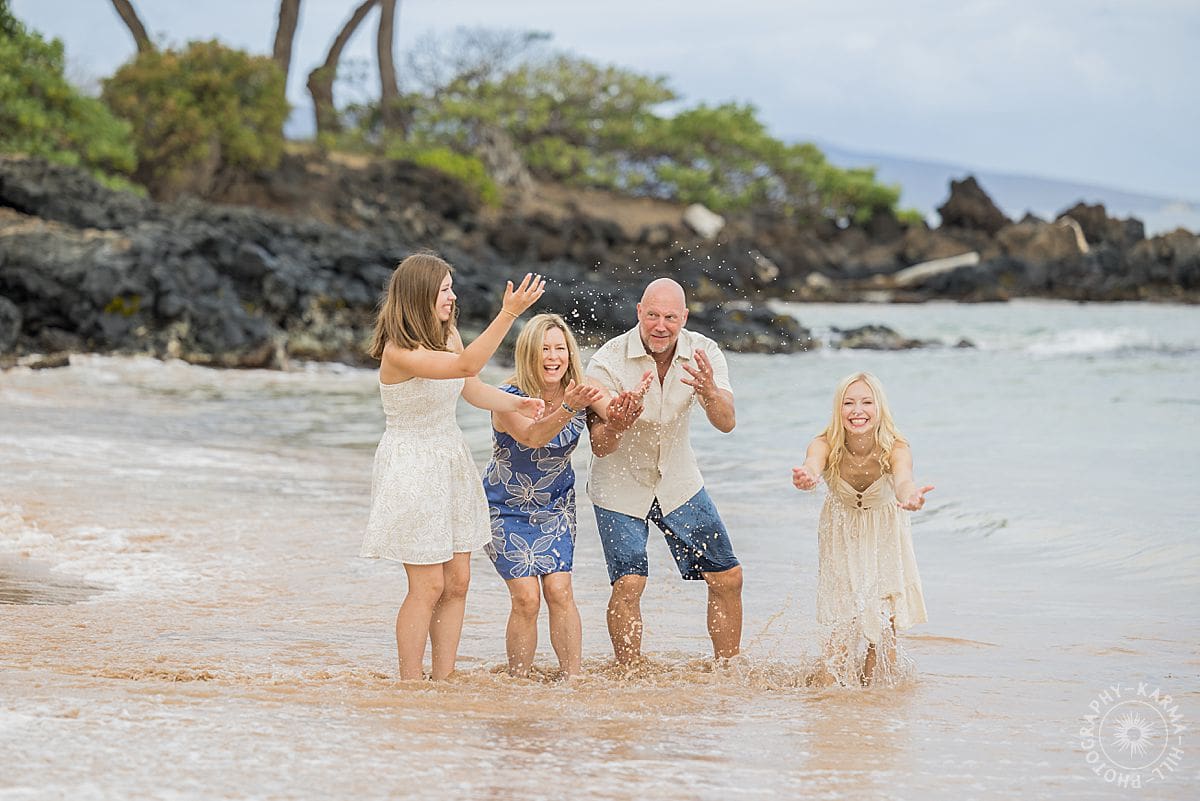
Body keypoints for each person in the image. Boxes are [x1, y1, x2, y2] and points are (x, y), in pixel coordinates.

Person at [359, 252, 546, 681]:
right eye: (445, 289)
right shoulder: (398, 351)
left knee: (458, 581)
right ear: (421, 294)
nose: (453, 297)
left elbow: (470, 387)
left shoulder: (449, 335)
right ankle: (411, 682)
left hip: (450, 460)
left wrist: (515, 403)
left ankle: (443, 681)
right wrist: (509, 313)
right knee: (428, 585)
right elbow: (466, 365)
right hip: (412, 464)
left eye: (451, 288)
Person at [585, 277, 743, 666]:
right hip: (619, 484)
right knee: (629, 583)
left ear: (684, 317)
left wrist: (709, 392)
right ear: (639, 312)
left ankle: (728, 671)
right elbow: (600, 445)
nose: (660, 326)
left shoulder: (704, 353)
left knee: (728, 578)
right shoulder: (606, 361)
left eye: (670, 317)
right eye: (652, 315)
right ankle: (629, 674)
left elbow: (727, 423)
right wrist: (618, 423)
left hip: (678, 479)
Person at [483, 313, 645, 679]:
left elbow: (614, 415)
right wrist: (569, 408)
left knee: (560, 590)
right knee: (527, 598)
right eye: (544, 349)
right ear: (528, 353)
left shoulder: (583, 389)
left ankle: (572, 679)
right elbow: (533, 437)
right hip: (505, 508)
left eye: (560, 348)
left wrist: (628, 407)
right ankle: (518, 681)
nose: (553, 357)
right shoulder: (507, 397)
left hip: (555, 506)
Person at [791, 371, 933, 685]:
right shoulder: (824, 443)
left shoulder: (895, 447)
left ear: (879, 407)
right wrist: (808, 477)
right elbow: (812, 464)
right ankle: (829, 690)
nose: (858, 410)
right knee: (843, 615)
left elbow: (904, 480)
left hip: (885, 530)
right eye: (849, 403)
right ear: (838, 409)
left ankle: (877, 694)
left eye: (867, 402)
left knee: (883, 618)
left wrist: (911, 497)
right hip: (841, 529)